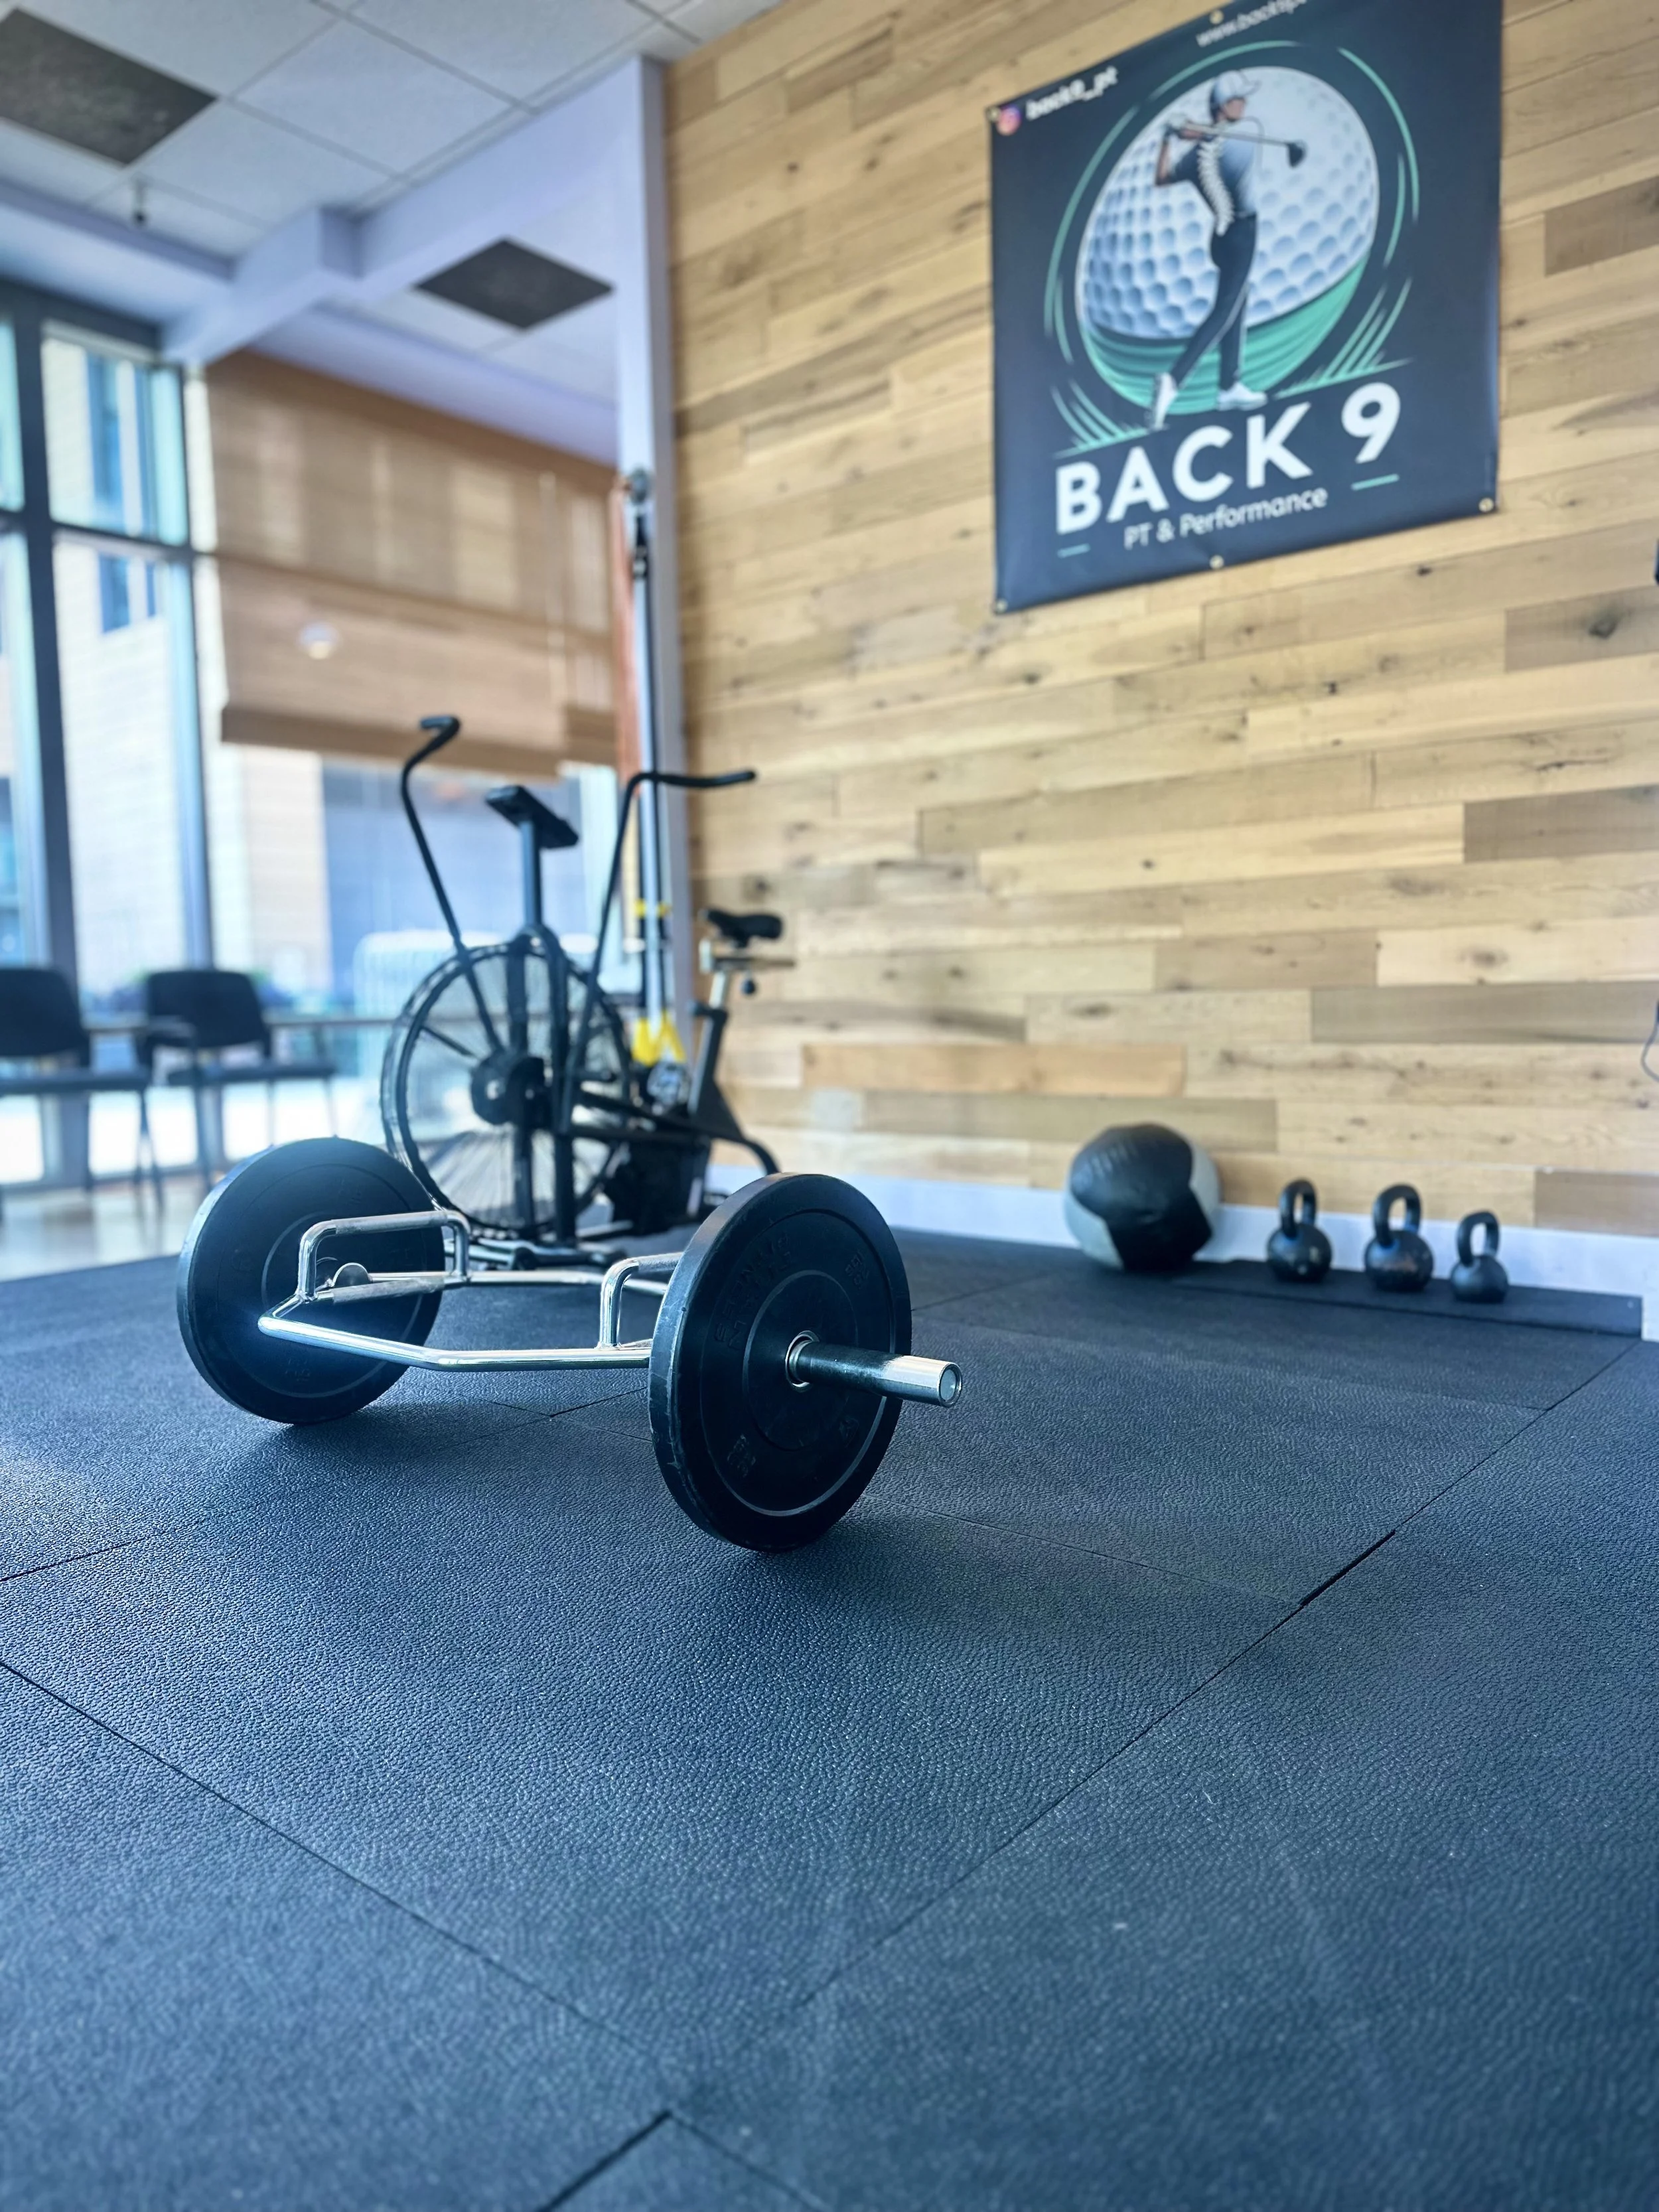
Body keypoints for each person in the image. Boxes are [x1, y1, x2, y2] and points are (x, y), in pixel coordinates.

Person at [1148, 71, 1269, 429]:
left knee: (1237, 303)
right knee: (1225, 312)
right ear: (1224, 106)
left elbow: (1163, 176)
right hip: (1242, 233)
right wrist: (1176, 134)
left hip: (1220, 237)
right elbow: (1166, 178)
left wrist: (1171, 138)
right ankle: (1174, 381)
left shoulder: (1206, 148)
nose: (1245, 105)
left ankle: (1229, 385)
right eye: (1239, 99)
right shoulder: (1243, 135)